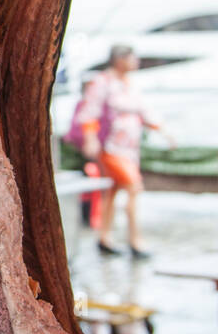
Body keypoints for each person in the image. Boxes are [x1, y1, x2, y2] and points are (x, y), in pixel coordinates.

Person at [72, 45, 174, 259]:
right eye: (132, 57)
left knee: (113, 190)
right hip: (111, 148)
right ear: (120, 60)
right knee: (133, 187)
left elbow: (144, 112)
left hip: (129, 149)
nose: (136, 61)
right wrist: (90, 140)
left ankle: (105, 237)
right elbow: (89, 113)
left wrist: (164, 131)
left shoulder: (128, 84)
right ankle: (135, 240)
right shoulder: (103, 83)